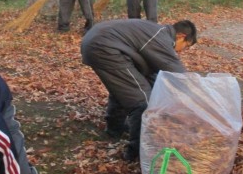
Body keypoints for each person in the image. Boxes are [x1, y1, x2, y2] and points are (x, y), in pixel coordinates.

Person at [81, 18, 197, 161]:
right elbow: (176, 71)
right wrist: (197, 94)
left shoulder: (156, 31)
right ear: (181, 36)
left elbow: (152, 73)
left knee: (125, 88)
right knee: (142, 101)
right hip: (104, 47)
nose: (182, 51)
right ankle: (136, 153)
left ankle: (115, 129)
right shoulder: (162, 38)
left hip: (97, 41)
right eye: (186, 46)